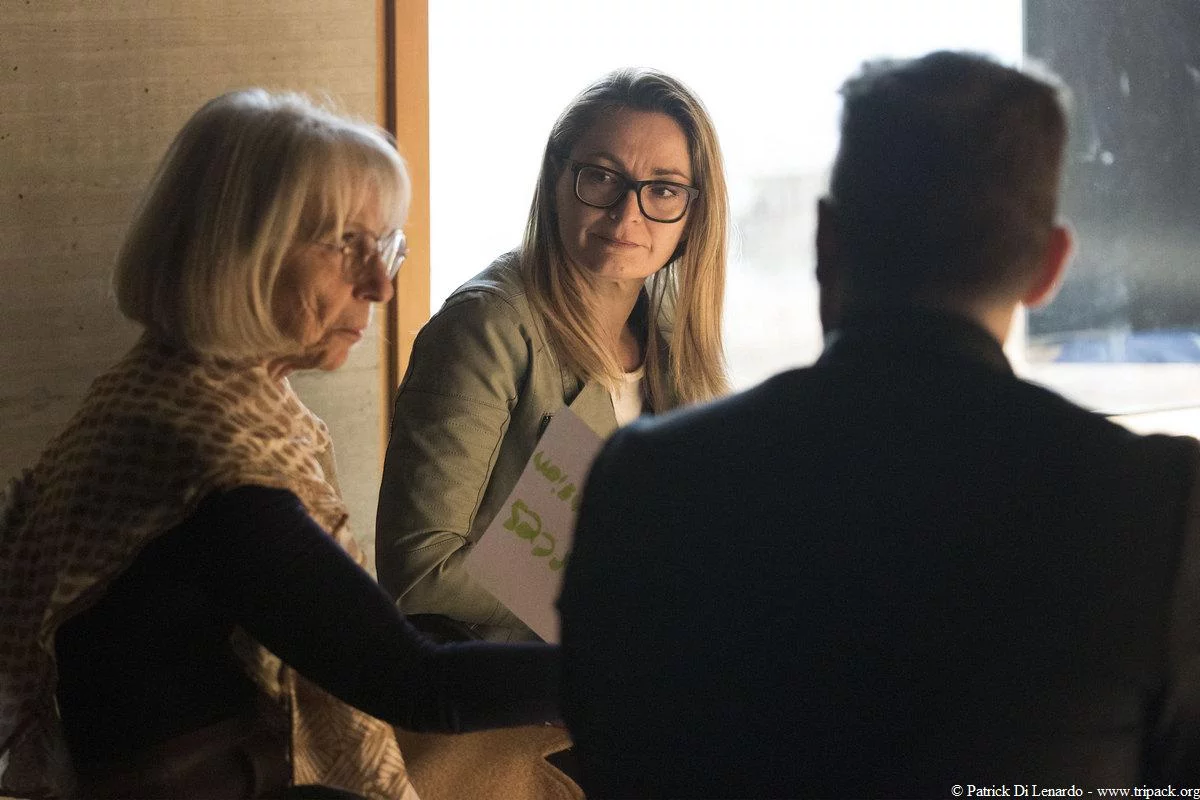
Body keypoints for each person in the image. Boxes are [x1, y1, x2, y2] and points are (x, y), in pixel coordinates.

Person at [558, 51, 1200, 798]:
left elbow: (607, 755)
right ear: (1048, 266)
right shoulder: (1158, 505)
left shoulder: (650, 475)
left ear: (825, 240)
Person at [0, 89, 560, 800]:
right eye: (345, 245)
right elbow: (418, 685)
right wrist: (632, 664)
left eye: (386, 246)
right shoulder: (217, 462)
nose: (379, 285)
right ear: (239, 250)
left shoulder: (159, 387)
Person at [376, 67, 730, 643]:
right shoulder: (487, 326)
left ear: (695, 214)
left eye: (663, 189)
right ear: (556, 180)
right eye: (602, 177)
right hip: (511, 682)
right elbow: (419, 569)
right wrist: (614, 599)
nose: (627, 214)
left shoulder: (671, 337)